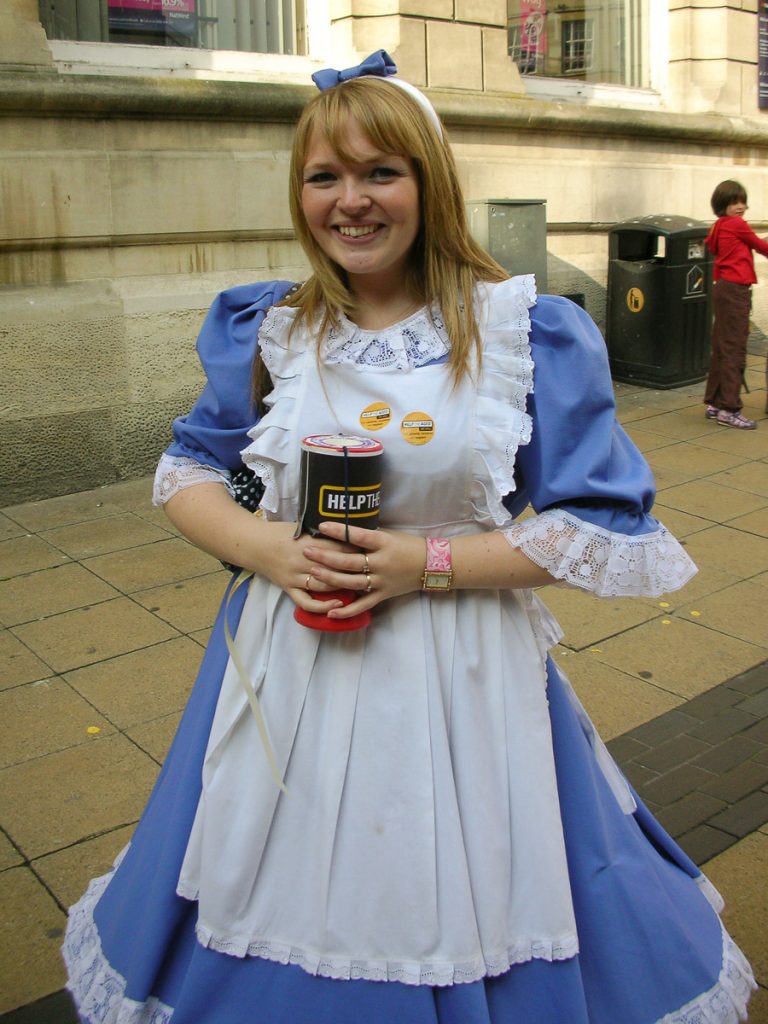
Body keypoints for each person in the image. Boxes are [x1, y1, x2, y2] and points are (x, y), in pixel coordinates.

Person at [62, 51, 756, 1024]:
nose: (352, 200)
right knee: (268, 878)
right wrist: (266, 548)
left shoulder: (520, 332)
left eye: (381, 171)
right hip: (287, 667)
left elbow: (599, 526)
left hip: (462, 673)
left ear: (431, 181)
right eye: (324, 175)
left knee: (477, 886)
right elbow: (191, 474)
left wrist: (422, 562)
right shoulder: (273, 331)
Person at [703, 178, 768, 429]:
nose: (740, 207)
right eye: (734, 202)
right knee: (735, 349)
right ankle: (729, 409)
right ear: (723, 204)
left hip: (722, 288)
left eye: (742, 202)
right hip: (736, 291)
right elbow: (761, 247)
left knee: (721, 346)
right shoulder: (738, 225)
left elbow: (712, 247)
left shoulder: (718, 226)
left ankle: (714, 402)